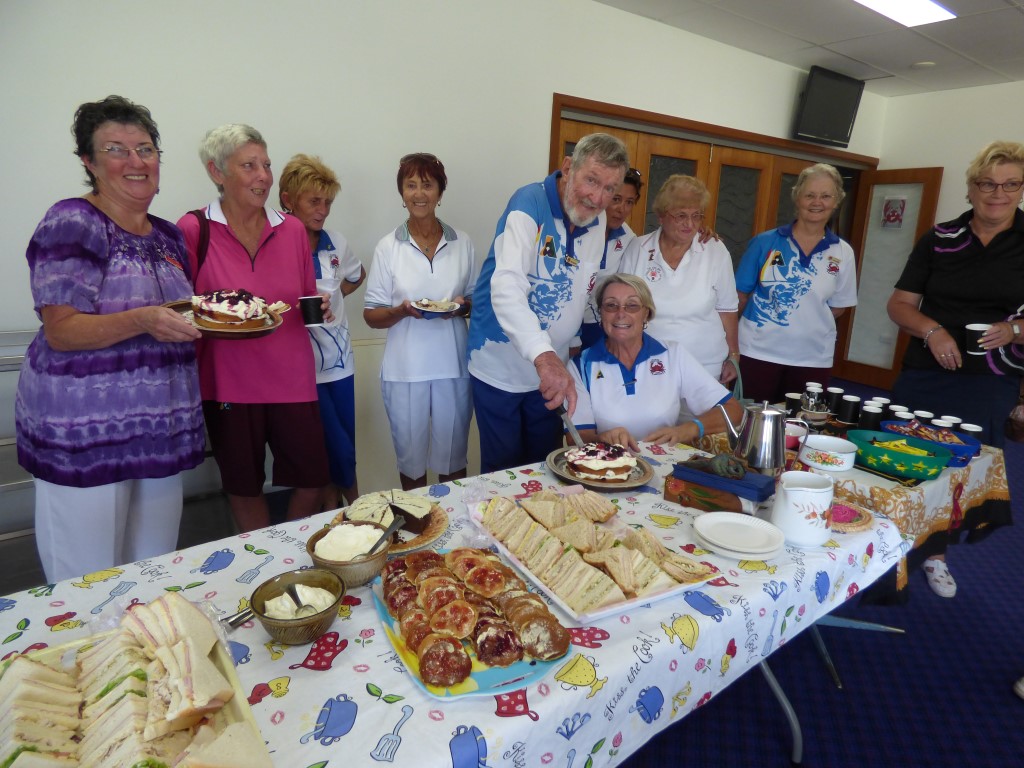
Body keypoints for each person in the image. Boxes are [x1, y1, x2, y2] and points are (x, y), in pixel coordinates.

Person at [15, 95, 205, 582]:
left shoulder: (167, 237)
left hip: (157, 431)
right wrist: (141, 320)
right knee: (86, 582)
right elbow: (62, 331)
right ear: (89, 162)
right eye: (116, 149)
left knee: (153, 573)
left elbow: (182, 315)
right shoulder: (73, 222)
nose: (136, 161)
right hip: (85, 436)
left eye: (145, 148)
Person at [886, 140, 1024, 598]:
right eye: (987, 183)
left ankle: (936, 555)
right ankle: (887, 545)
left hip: (990, 378)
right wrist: (931, 331)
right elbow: (900, 304)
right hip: (926, 369)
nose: (997, 193)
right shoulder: (939, 238)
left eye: (1010, 184)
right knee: (900, 455)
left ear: (1021, 190)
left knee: (959, 467)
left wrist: (1016, 329)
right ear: (971, 188)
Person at [178, 124, 331, 532]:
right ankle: (261, 558)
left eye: (266, 164)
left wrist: (321, 304)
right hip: (228, 383)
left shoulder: (293, 229)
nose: (264, 175)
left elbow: (303, 297)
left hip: (292, 378)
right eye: (249, 165)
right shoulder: (195, 229)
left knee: (314, 479)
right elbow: (182, 307)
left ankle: (287, 549)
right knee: (244, 487)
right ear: (216, 172)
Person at [468, 133, 630, 473]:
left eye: (610, 189)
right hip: (501, 368)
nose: (598, 198)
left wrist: (568, 349)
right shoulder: (528, 202)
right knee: (504, 476)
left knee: (546, 469)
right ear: (568, 167)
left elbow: (581, 289)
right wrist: (543, 357)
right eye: (591, 180)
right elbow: (507, 285)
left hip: (551, 374)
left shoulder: (597, 219)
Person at [363, 153, 476, 491]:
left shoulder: (463, 243)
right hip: (404, 370)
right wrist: (401, 311)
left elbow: (474, 301)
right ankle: (418, 526)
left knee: (454, 461)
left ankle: (454, 528)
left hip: (453, 367)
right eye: (410, 185)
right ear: (402, 194)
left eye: (427, 185)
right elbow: (371, 314)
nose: (419, 193)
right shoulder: (388, 247)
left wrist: (460, 306)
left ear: (440, 192)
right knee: (410, 463)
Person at [278, 154, 365, 509]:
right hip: (300, 372)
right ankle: (364, 513)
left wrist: (336, 302)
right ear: (288, 199)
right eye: (314, 201)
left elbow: (357, 276)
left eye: (327, 202)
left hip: (340, 365)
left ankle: (345, 520)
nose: (323, 209)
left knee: (344, 448)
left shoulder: (336, 243)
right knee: (329, 454)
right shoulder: (275, 243)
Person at [568, 274, 743, 450]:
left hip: (663, 467)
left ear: (647, 313)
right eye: (611, 305)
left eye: (632, 306)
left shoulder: (672, 355)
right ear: (601, 313)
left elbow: (733, 410)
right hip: (608, 468)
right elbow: (573, 437)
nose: (621, 314)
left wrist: (688, 429)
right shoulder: (580, 366)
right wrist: (601, 439)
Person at [734, 163, 858, 404]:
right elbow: (739, 297)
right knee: (748, 422)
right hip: (757, 352)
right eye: (809, 195)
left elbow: (839, 306)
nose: (817, 202)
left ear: (836, 201)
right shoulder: (764, 242)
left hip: (813, 358)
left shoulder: (843, 252)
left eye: (825, 196)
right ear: (797, 197)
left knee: (801, 425)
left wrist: (805, 323)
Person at [619, 174, 739, 388]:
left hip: (706, 366)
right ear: (661, 216)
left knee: (703, 422)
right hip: (648, 362)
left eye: (697, 216)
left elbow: (727, 309)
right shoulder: (638, 248)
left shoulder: (715, 250)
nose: (690, 224)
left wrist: (733, 355)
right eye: (681, 216)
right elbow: (623, 307)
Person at [579, 168, 643, 350]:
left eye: (629, 202)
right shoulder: (580, 227)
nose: (621, 209)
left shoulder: (628, 237)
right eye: (616, 199)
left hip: (598, 325)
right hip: (564, 322)